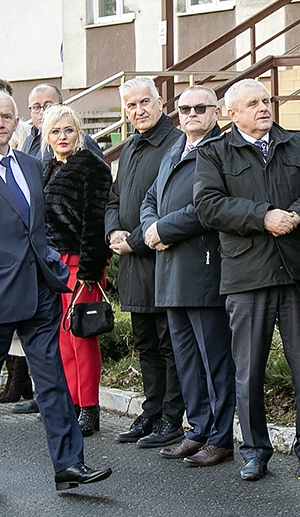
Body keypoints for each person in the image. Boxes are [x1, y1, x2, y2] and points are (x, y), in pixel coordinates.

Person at [0, 90, 112, 500]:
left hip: (38, 296)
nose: (0, 123)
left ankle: (69, 464)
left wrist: (53, 269)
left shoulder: (34, 166)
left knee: (53, 382)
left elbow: (40, 229)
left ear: (17, 123)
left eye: (7, 116)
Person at [194, 79, 300, 481]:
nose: (263, 107)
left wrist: (298, 216)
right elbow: (207, 205)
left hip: (298, 271)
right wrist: (263, 216)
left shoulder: (298, 143)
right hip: (247, 275)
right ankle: (255, 450)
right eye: (252, 103)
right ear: (231, 114)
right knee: (248, 370)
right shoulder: (215, 153)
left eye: (266, 100)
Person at [139, 86, 236, 467]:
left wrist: (163, 229)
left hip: (203, 267)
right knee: (186, 360)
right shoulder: (175, 149)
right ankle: (196, 430)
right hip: (169, 269)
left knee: (214, 359)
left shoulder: (219, 151)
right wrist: (150, 227)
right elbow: (150, 198)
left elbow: (205, 207)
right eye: (184, 108)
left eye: (200, 108)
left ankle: (220, 436)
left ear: (216, 112)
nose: (191, 113)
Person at [106, 77, 186, 448]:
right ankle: (151, 411)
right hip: (132, 262)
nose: (138, 111)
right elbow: (114, 198)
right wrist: (112, 233)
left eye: (144, 103)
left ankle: (172, 416)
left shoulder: (175, 142)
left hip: (163, 259)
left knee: (170, 344)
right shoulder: (132, 146)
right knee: (145, 344)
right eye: (130, 105)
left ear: (160, 102)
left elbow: (172, 206)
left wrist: (134, 241)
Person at [40, 104, 112, 436]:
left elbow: (94, 222)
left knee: (81, 337)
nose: (63, 137)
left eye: (68, 130)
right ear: (47, 136)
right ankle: (71, 401)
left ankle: (89, 407)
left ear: (78, 131)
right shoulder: (49, 167)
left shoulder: (91, 167)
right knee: (62, 339)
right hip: (53, 264)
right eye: (55, 131)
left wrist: (89, 268)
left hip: (79, 263)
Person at [21, 84, 102, 161]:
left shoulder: (79, 140)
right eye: (36, 107)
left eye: (48, 106)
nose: (42, 112)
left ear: (62, 106)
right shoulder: (29, 140)